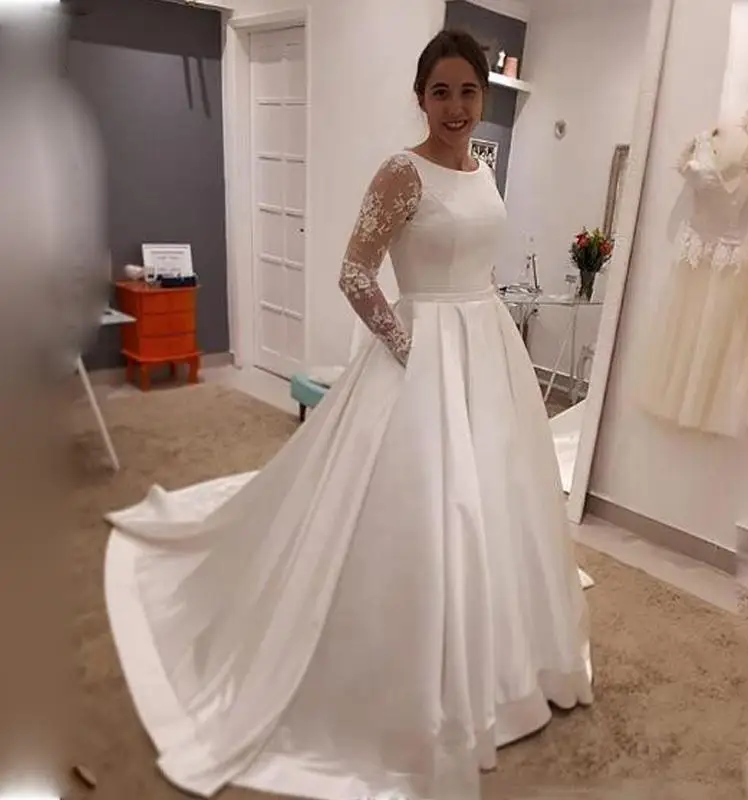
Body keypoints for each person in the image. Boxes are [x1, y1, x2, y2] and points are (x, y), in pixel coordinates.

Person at [104, 29, 593, 800]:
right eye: (441, 92)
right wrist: (408, 346)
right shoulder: (402, 171)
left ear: (483, 97)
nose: (457, 107)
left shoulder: (483, 168)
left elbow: (476, 260)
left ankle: (503, 660)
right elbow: (354, 273)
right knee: (424, 506)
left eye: (469, 92)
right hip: (421, 349)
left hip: (487, 345)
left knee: (495, 496)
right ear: (420, 97)